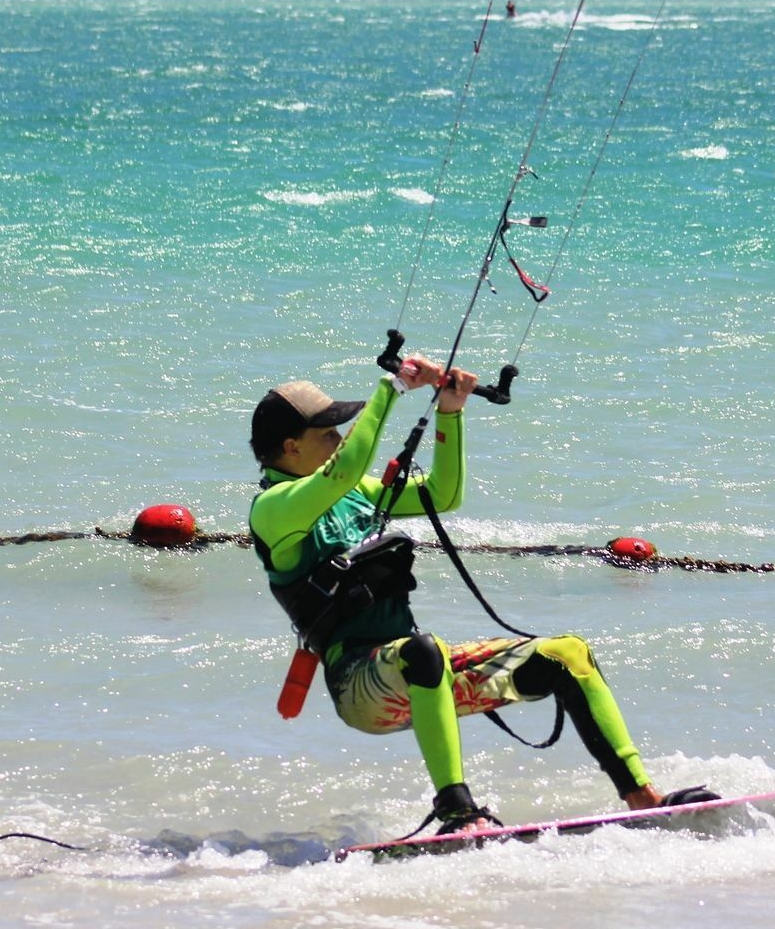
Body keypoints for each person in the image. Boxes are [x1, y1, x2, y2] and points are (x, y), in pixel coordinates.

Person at [249, 356, 701, 832]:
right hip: (360, 684)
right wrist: (394, 387)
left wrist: (450, 410)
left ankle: (642, 796)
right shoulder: (273, 511)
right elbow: (341, 472)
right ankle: (457, 811)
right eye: (327, 434)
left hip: (423, 674)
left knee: (568, 654)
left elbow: (443, 494)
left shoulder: (355, 492)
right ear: (290, 446)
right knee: (424, 652)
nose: (340, 440)